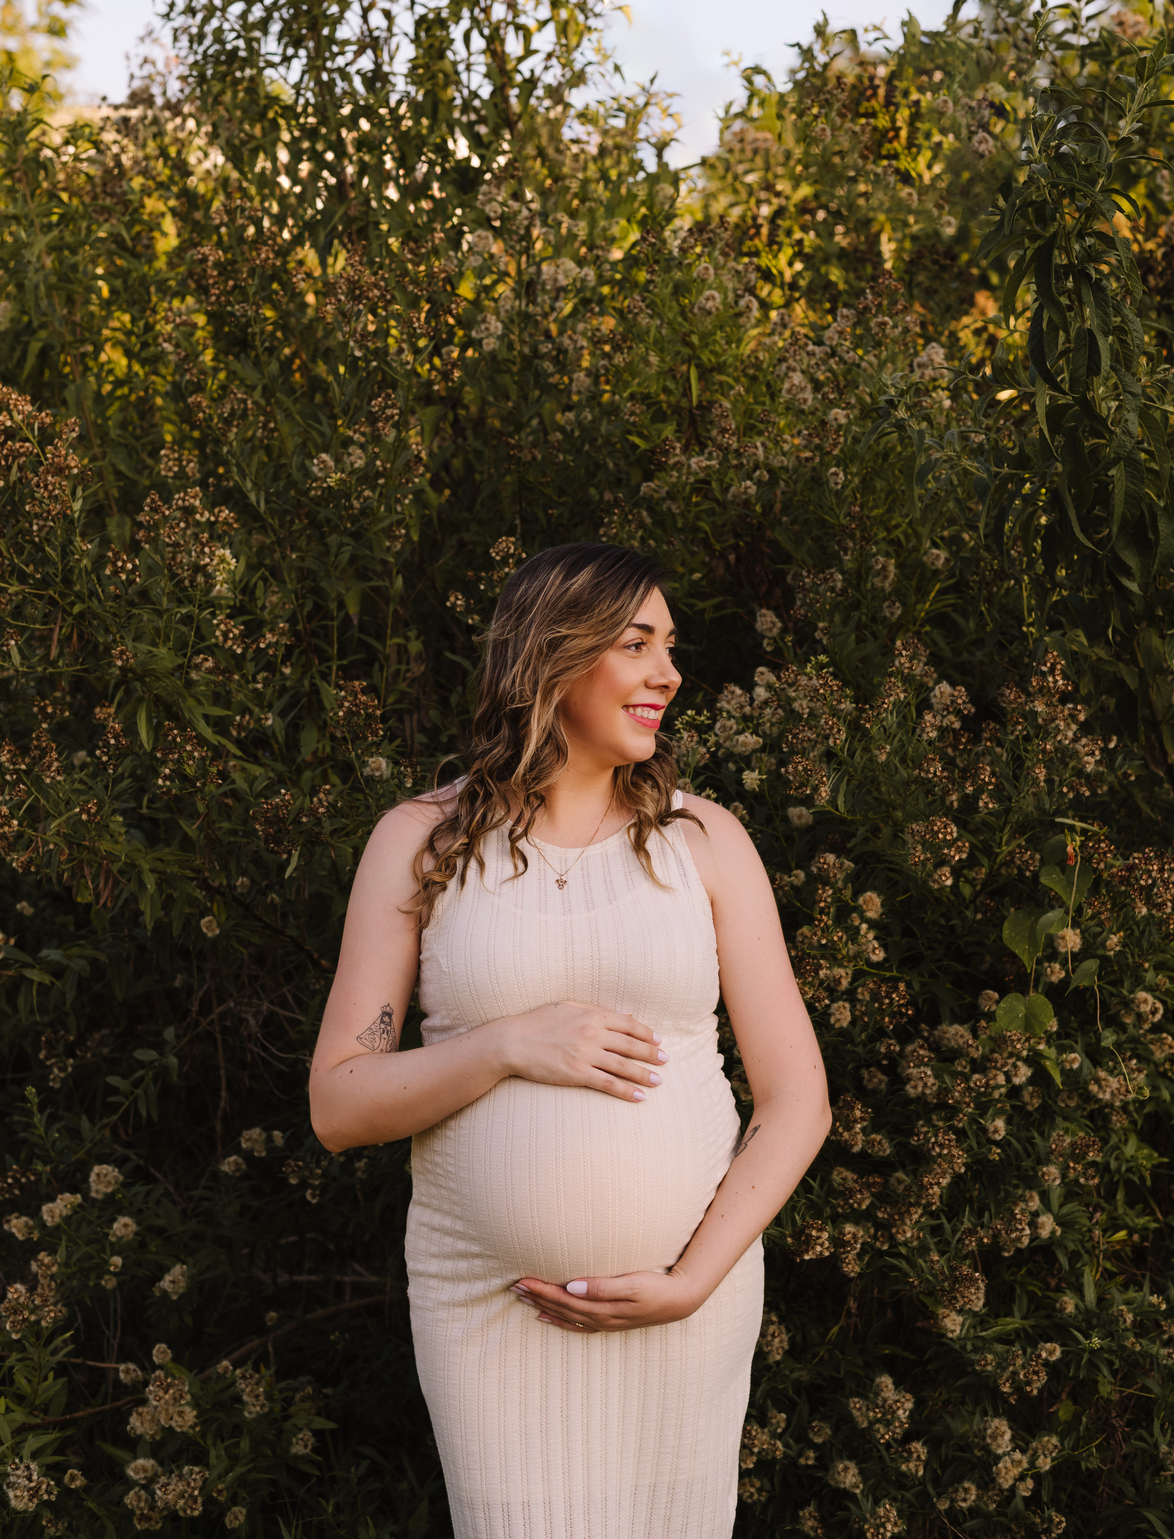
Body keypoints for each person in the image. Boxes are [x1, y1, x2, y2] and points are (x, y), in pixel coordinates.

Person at [309, 542, 830, 1539]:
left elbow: (798, 1099)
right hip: (491, 1310)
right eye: (637, 644)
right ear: (551, 656)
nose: (669, 673)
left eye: (671, 646)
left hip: (689, 1305)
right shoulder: (422, 839)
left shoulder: (704, 841)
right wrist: (507, 1043)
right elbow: (339, 1101)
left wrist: (690, 1281)